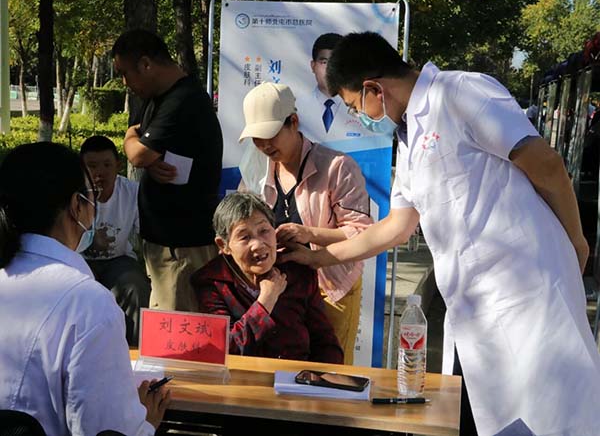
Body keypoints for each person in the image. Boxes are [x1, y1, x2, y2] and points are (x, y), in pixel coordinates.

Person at [281, 32, 600, 436]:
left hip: (528, 291)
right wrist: (319, 255)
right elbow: (396, 226)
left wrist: (575, 240)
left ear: (374, 89)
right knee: (495, 418)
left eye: (354, 106)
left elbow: (546, 164)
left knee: (554, 416)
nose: (359, 116)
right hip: (474, 308)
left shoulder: (459, 93)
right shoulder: (407, 138)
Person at [0, 142, 170, 436]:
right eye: (91, 196)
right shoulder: (88, 305)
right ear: (77, 205)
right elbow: (107, 429)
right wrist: (142, 422)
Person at [239, 82, 373, 364]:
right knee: (280, 367)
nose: (264, 145)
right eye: (256, 138)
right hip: (277, 287)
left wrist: (309, 234)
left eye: (270, 134)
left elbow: (362, 233)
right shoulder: (256, 168)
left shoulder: (337, 167)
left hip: (330, 287)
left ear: (294, 122)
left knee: (331, 368)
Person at [112, 29, 223, 312]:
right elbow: (139, 138)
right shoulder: (159, 98)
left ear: (146, 64)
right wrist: (139, 146)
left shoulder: (183, 101)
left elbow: (138, 154)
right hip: (167, 247)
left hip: (182, 249)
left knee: (178, 331)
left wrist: (133, 143)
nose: (125, 83)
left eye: (125, 73)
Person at [191, 192, 343, 363]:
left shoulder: (298, 271)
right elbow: (226, 348)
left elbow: (325, 342)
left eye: (264, 231)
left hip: (297, 374)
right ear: (223, 245)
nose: (258, 244)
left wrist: (320, 377)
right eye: (244, 237)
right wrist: (266, 301)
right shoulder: (211, 282)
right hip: (243, 376)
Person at [80, 135, 150, 346]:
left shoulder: (132, 191)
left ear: (118, 165)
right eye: (92, 166)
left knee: (135, 287)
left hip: (119, 259)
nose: (100, 172)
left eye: (107, 165)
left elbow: (145, 232)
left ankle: (134, 349)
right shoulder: (74, 194)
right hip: (80, 260)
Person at [295, 33, 373, 143]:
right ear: (313, 66)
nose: (330, 70)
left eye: (336, 63)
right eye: (324, 62)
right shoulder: (296, 108)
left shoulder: (362, 109)